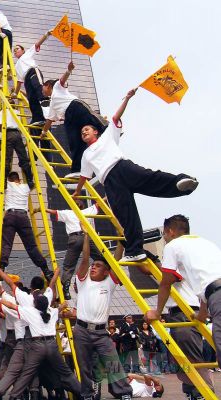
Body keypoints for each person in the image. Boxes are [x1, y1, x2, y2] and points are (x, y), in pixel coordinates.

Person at [72, 90, 198, 262]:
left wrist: (127, 99)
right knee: (126, 214)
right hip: (110, 182)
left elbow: (116, 117)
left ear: (96, 132)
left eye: (86, 129)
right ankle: (135, 250)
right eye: (81, 132)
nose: (83, 132)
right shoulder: (86, 155)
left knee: (150, 178)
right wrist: (77, 192)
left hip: (122, 167)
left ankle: (180, 183)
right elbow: (84, 177)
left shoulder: (108, 136)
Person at [144, 215, 221, 388]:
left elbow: (166, 281)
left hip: (191, 307)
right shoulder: (206, 244)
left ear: (170, 231)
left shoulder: (173, 246)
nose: (164, 238)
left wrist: (156, 311)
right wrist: (202, 313)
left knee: (191, 358)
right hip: (209, 298)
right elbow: (206, 285)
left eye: (164, 234)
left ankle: (201, 390)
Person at [61, 230, 133, 400]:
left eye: (98, 266)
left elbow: (115, 260)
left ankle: (123, 392)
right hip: (82, 330)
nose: (93, 267)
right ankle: (87, 394)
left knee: (112, 362)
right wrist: (86, 236)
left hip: (101, 332)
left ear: (107, 272)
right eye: (93, 266)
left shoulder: (110, 282)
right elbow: (85, 258)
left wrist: (120, 239)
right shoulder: (83, 281)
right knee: (84, 365)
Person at [0, 265, 81, 399]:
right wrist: (56, 274)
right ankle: (81, 393)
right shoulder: (50, 309)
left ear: (31, 289)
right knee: (62, 371)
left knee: (24, 371)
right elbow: (51, 288)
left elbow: (9, 295)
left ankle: (10, 395)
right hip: (51, 343)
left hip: (30, 342)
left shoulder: (27, 307)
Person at [42, 61, 108, 177]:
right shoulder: (52, 104)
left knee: (91, 121)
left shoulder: (57, 87)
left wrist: (68, 70)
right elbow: (49, 121)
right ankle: (77, 170)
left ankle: (108, 129)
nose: (42, 91)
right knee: (75, 141)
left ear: (48, 85)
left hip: (75, 106)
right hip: (68, 117)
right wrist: (43, 132)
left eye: (43, 88)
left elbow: (62, 80)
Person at [0, 171, 54, 283]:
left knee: (6, 244)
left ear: (9, 180)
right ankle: (45, 270)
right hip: (23, 216)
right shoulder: (25, 187)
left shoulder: (7, 185)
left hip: (10, 215)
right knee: (31, 246)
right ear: (19, 180)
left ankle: (2, 268)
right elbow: (32, 181)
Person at [46, 199, 101, 299]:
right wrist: (107, 197)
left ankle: (66, 289)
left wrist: (42, 209)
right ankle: (114, 273)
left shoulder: (68, 213)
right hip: (86, 237)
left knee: (69, 265)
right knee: (100, 257)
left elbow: (53, 211)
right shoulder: (87, 211)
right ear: (82, 206)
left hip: (74, 238)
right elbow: (98, 203)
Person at [11, 30, 53, 135]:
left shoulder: (27, 54)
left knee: (38, 88)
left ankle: (46, 107)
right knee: (32, 99)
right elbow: (19, 82)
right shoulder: (16, 66)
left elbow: (38, 43)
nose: (15, 51)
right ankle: (38, 118)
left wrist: (46, 34)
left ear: (23, 50)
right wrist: (15, 93)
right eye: (14, 51)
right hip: (26, 79)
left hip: (33, 71)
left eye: (17, 49)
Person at [0, 104, 34, 189]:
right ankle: (30, 180)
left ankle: (4, 181)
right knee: (23, 156)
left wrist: (2, 133)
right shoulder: (18, 112)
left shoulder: (3, 111)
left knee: (7, 158)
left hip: (8, 133)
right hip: (17, 134)